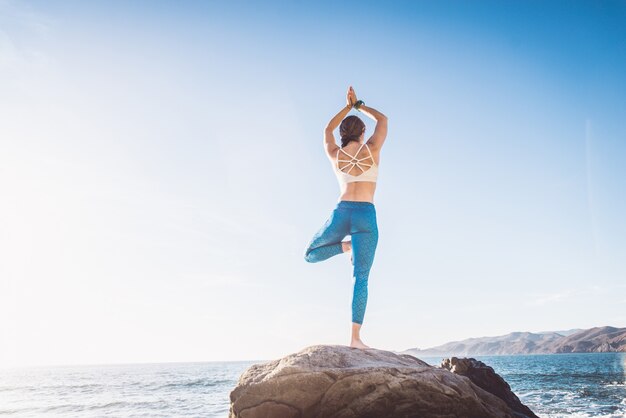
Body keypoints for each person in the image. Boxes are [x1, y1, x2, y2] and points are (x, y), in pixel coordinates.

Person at [303, 85, 388, 349]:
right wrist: (359, 105)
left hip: (342, 213)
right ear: (363, 133)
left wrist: (346, 108)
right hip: (365, 215)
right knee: (360, 276)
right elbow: (383, 120)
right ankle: (355, 339)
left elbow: (327, 130)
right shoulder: (372, 149)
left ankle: (344, 247)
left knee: (310, 254)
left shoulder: (335, 154)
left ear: (343, 134)